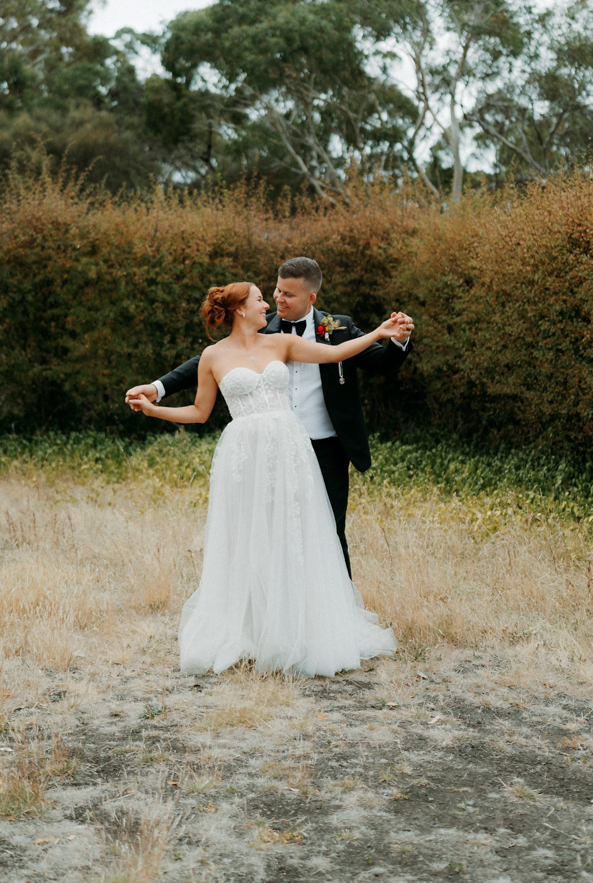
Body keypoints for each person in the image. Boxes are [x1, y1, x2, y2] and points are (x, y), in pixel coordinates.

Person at [130, 281, 406, 678]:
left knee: (296, 531)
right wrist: (156, 410)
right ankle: (254, 629)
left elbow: (335, 352)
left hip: (289, 449)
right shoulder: (213, 356)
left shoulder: (279, 344)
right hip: (244, 454)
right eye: (261, 299)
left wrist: (380, 333)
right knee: (250, 533)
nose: (269, 305)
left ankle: (302, 628)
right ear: (240, 309)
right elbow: (199, 412)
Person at [126, 257, 414, 576]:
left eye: (287, 294)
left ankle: (335, 610)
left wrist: (394, 338)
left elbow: (373, 361)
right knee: (269, 531)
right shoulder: (263, 329)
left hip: (327, 447)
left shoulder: (338, 327)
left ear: (310, 298)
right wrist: (157, 388)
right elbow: (205, 362)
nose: (277, 299)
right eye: (275, 291)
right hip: (268, 448)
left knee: (329, 531)